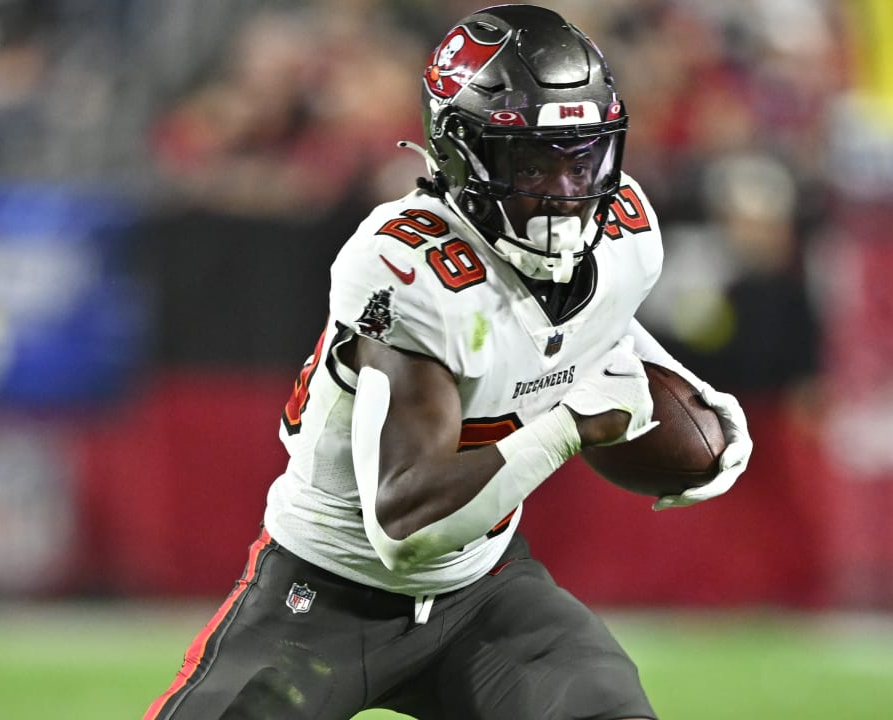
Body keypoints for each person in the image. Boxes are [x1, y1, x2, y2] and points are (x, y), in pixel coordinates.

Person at [144, 5, 752, 719]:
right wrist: (570, 427)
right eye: (531, 161)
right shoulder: (407, 265)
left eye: (581, 156)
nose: (563, 192)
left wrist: (695, 395)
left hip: (485, 591)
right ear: (461, 152)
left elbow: (602, 328)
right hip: (322, 592)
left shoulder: (626, 233)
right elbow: (405, 529)